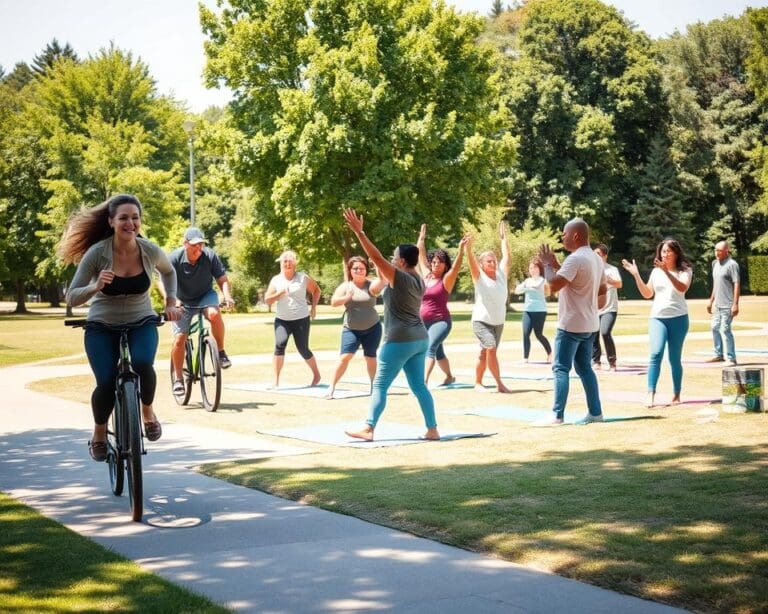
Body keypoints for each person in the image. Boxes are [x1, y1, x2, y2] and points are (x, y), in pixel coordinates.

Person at [59, 194, 183, 461]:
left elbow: (169, 271)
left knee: (142, 364)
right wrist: (95, 286)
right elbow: (71, 296)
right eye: (124, 218)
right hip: (102, 324)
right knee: (105, 382)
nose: (131, 223)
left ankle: (147, 413)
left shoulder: (149, 250)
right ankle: (99, 433)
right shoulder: (97, 253)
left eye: (135, 217)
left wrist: (171, 301)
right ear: (111, 222)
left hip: (141, 320)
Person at [342, 208, 439, 442]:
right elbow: (379, 282)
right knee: (419, 387)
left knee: (380, 385)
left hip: (399, 340)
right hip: (419, 339)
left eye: (394, 257)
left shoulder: (402, 276)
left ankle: (368, 428)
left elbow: (376, 258)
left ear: (402, 261)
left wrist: (360, 233)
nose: (392, 259)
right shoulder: (418, 279)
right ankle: (432, 429)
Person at [535, 218, 607, 426]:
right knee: (585, 368)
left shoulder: (575, 259)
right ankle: (596, 412)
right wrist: (559, 266)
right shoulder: (595, 259)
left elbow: (553, 285)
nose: (562, 237)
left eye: (564, 234)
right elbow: (601, 289)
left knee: (560, 369)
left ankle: (557, 415)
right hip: (590, 324)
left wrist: (548, 265)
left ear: (575, 235)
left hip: (571, 324)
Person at [622, 238, 693, 407]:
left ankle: (676, 394)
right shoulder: (656, 272)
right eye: (663, 251)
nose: (665, 254)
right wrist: (636, 275)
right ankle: (650, 393)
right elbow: (647, 294)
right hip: (657, 318)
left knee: (674, 358)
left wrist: (666, 271)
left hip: (679, 318)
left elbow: (682, 288)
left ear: (676, 253)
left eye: (668, 251)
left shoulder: (685, 270)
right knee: (655, 354)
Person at [166, 227, 235, 394]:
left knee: (214, 313)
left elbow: (222, 279)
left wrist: (227, 297)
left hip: (205, 295)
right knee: (180, 338)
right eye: (195, 245)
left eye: (201, 245)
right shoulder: (174, 258)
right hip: (182, 300)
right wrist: (173, 300)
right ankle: (179, 379)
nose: (199, 249)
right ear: (185, 244)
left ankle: (220, 351)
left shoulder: (210, 256)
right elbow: (163, 282)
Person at [326, 256, 386, 399]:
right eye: (355, 268)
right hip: (351, 328)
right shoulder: (346, 286)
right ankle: (331, 388)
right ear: (350, 270)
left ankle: (374, 387)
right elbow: (333, 302)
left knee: (370, 357)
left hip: (373, 327)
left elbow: (383, 281)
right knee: (345, 356)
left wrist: (377, 266)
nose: (359, 270)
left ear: (366, 270)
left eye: (362, 268)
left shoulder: (370, 285)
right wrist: (346, 298)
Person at [416, 224, 467, 385]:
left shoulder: (446, 280)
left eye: (440, 262)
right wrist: (421, 239)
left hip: (440, 321)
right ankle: (450, 377)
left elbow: (457, 267)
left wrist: (461, 250)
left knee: (429, 348)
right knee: (438, 352)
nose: (436, 264)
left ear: (445, 265)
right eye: (434, 262)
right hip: (424, 322)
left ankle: (422, 382)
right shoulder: (427, 276)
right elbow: (420, 255)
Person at [264, 250, 322, 388]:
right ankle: (276, 381)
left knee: (303, 348)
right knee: (280, 344)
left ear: (295, 263)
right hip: (282, 320)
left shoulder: (303, 278)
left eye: (290, 261)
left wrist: (313, 307)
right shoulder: (276, 280)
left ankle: (317, 375)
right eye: (285, 261)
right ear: (281, 264)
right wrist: (280, 293)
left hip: (301, 319)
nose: (287, 264)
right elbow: (267, 300)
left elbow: (316, 290)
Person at [465, 223, 511, 393]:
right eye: (488, 261)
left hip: (498, 321)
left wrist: (504, 239)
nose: (492, 262)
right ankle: (499, 383)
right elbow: (471, 263)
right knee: (490, 348)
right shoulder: (479, 277)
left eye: (494, 260)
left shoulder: (501, 275)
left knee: (485, 353)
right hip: (481, 321)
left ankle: (477, 382)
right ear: (482, 264)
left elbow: (507, 256)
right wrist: (468, 249)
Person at [706, 240, 740, 366]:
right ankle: (718, 354)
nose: (716, 253)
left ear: (727, 251)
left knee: (725, 330)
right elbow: (716, 284)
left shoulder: (732, 264)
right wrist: (711, 301)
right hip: (717, 304)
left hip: (728, 304)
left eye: (719, 250)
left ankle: (731, 358)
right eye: (715, 250)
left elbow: (736, 283)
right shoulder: (715, 264)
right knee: (714, 328)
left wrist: (735, 304)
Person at [513, 259, 552, 363]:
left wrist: (536, 289)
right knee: (526, 334)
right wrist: (526, 288)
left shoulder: (543, 281)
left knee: (538, 334)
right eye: (531, 268)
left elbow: (547, 294)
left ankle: (550, 353)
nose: (533, 270)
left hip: (540, 311)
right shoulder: (527, 281)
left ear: (539, 269)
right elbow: (517, 291)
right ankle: (525, 358)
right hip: (527, 311)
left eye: (535, 267)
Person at [592, 244, 622, 371]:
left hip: (609, 309)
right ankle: (596, 361)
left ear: (605, 256)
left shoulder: (612, 269)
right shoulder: (591, 270)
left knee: (605, 332)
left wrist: (608, 280)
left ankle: (612, 361)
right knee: (593, 334)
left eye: (598, 254)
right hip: (594, 309)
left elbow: (619, 284)